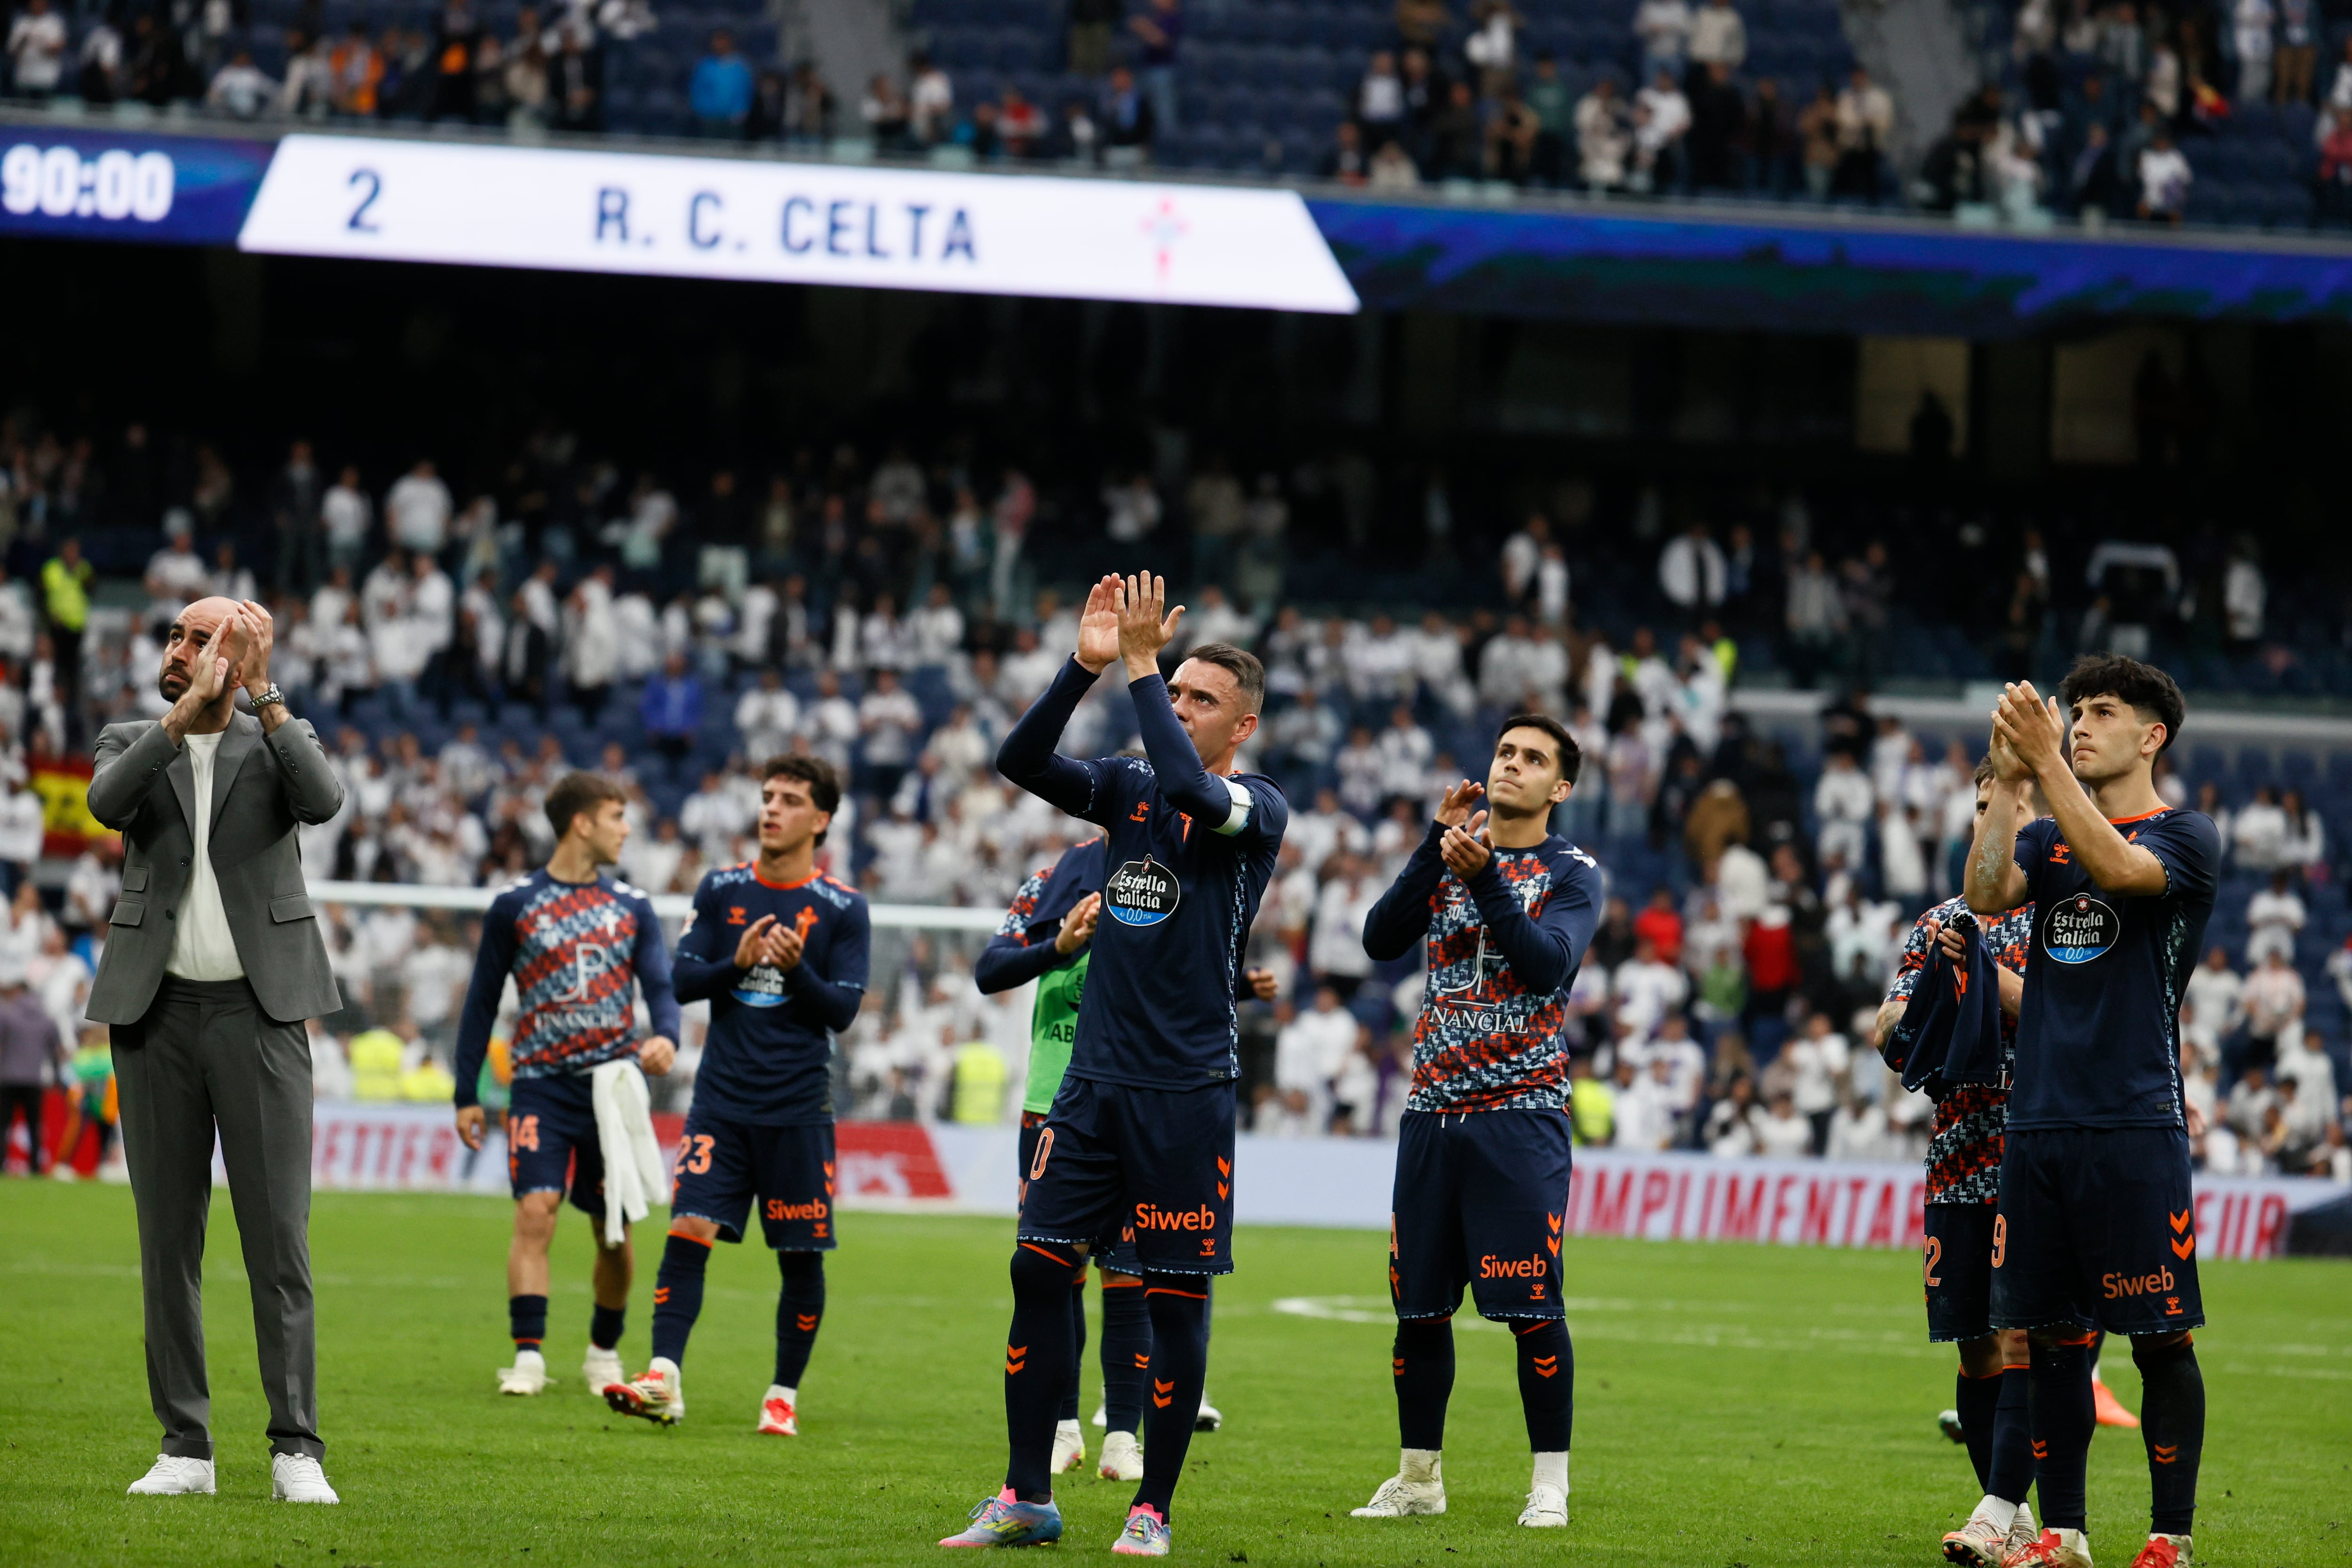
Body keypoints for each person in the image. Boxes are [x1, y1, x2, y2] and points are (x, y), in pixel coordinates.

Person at [940, 575, 1287, 1554]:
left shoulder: (1254, 807)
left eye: (1198, 698)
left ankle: (1152, 1507)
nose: (1176, 707)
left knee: (1173, 1300)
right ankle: (1024, 1495)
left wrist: (1138, 663)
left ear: (1243, 725)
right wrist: (1084, 664)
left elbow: (1188, 786)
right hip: (1088, 1089)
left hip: (1184, 1093)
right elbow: (1019, 758)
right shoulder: (1125, 791)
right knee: (1036, 1271)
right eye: (1173, 692)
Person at [84, 599, 346, 1503]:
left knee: (280, 1241)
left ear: (239, 658)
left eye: (201, 640)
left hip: (261, 1013)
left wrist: (267, 698)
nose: (180, 650)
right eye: (176, 637)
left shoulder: (279, 737)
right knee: (169, 1241)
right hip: (154, 1015)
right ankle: (185, 1446)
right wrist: (179, 717)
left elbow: (324, 798)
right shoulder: (130, 737)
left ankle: (296, 1449)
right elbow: (105, 806)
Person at [1965, 655, 2217, 1568]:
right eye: (2074, 711)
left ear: (2151, 734)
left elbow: (2117, 864)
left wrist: (2047, 768)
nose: (2080, 722)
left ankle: (2167, 1535)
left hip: (2132, 1120)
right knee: (2053, 1336)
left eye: (2101, 711)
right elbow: (1987, 889)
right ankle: (2063, 1533)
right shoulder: (2045, 842)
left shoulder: (2187, 835)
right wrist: (2007, 782)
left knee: (2156, 1336)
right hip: (2036, 1122)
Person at [1351, 715, 1602, 1531]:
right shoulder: (1451, 851)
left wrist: (1487, 877)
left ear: (1560, 787)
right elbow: (1379, 938)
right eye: (1506, 753)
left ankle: (1550, 1484)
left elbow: (1545, 963)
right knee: (1418, 1309)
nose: (1514, 766)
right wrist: (1433, 843)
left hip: (1518, 1114)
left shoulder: (1573, 872)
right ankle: (1419, 1477)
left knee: (1532, 1307)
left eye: (1534, 760)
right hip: (1430, 1111)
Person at [607, 756, 869, 1435]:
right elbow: (681, 981)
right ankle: (664, 1375)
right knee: (688, 1227)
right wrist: (740, 963)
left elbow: (840, 1010)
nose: (771, 810)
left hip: (797, 1111)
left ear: (822, 820)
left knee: (800, 1255)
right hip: (721, 1103)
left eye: (789, 800)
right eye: (767, 797)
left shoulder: (844, 908)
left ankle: (782, 1393)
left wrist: (795, 969)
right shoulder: (722, 889)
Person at [452, 772, 680, 1403]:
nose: (625, 829)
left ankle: (603, 1351)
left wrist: (667, 1035)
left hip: (612, 1088)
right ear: (582, 823)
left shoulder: (632, 906)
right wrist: (465, 1092)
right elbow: (480, 1003)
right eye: (616, 816)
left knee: (614, 1230)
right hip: (539, 1086)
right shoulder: (515, 903)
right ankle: (528, 1356)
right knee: (535, 1212)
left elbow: (660, 986)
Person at [1875, 757, 2041, 1566]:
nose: (1989, 820)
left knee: (2021, 1340)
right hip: (1957, 1153)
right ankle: (2009, 1517)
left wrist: (1986, 976)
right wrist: (1914, 1005)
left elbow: (2062, 1014)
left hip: (2035, 1153)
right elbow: (1893, 1024)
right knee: (1975, 1342)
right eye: (1981, 806)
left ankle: (2000, 1510)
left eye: (2005, 804)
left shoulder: (2067, 911)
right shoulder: (1940, 918)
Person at [0, 951, 65, 1174]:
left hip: (7, 1077)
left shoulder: (6, 1014)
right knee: (34, 1125)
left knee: (3, 1125)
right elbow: (56, 1050)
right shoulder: (46, 1018)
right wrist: (57, 1077)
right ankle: (35, 1167)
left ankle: (1, 1164)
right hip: (34, 1079)